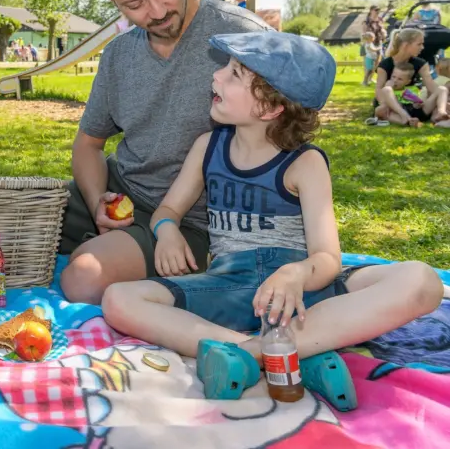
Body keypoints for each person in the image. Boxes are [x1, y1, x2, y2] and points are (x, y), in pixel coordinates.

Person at [101, 31, 444, 409]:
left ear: (269, 108)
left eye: (233, 74)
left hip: (304, 292)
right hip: (231, 285)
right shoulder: (208, 147)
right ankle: (291, 353)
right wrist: (166, 232)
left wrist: (295, 274)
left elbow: (328, 259)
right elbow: (168, 210)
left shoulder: (305, 163)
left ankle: (250, 354)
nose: (216, 77)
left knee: (422, 280)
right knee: (119, 298)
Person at [59, 0, 269, 305]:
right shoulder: (118, 55)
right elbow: (88, 145)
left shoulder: (244, 37)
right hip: (124, 192)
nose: (156, 12)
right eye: (134, 4)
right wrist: (96, 202)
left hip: (193, 221)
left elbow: (287, 143)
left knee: (84, 278)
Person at [373, 28, 449, 127]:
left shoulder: (420, 63)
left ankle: (440, 113)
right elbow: (379, 89)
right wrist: (383, 103)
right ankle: (406, 118)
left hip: (415, 106)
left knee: (442, 89)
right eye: (419, 44)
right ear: (406, 45)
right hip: (394, 107)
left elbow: (431, 86)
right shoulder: (385, 64)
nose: (422, 47)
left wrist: (443, 102)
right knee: (381, 108)